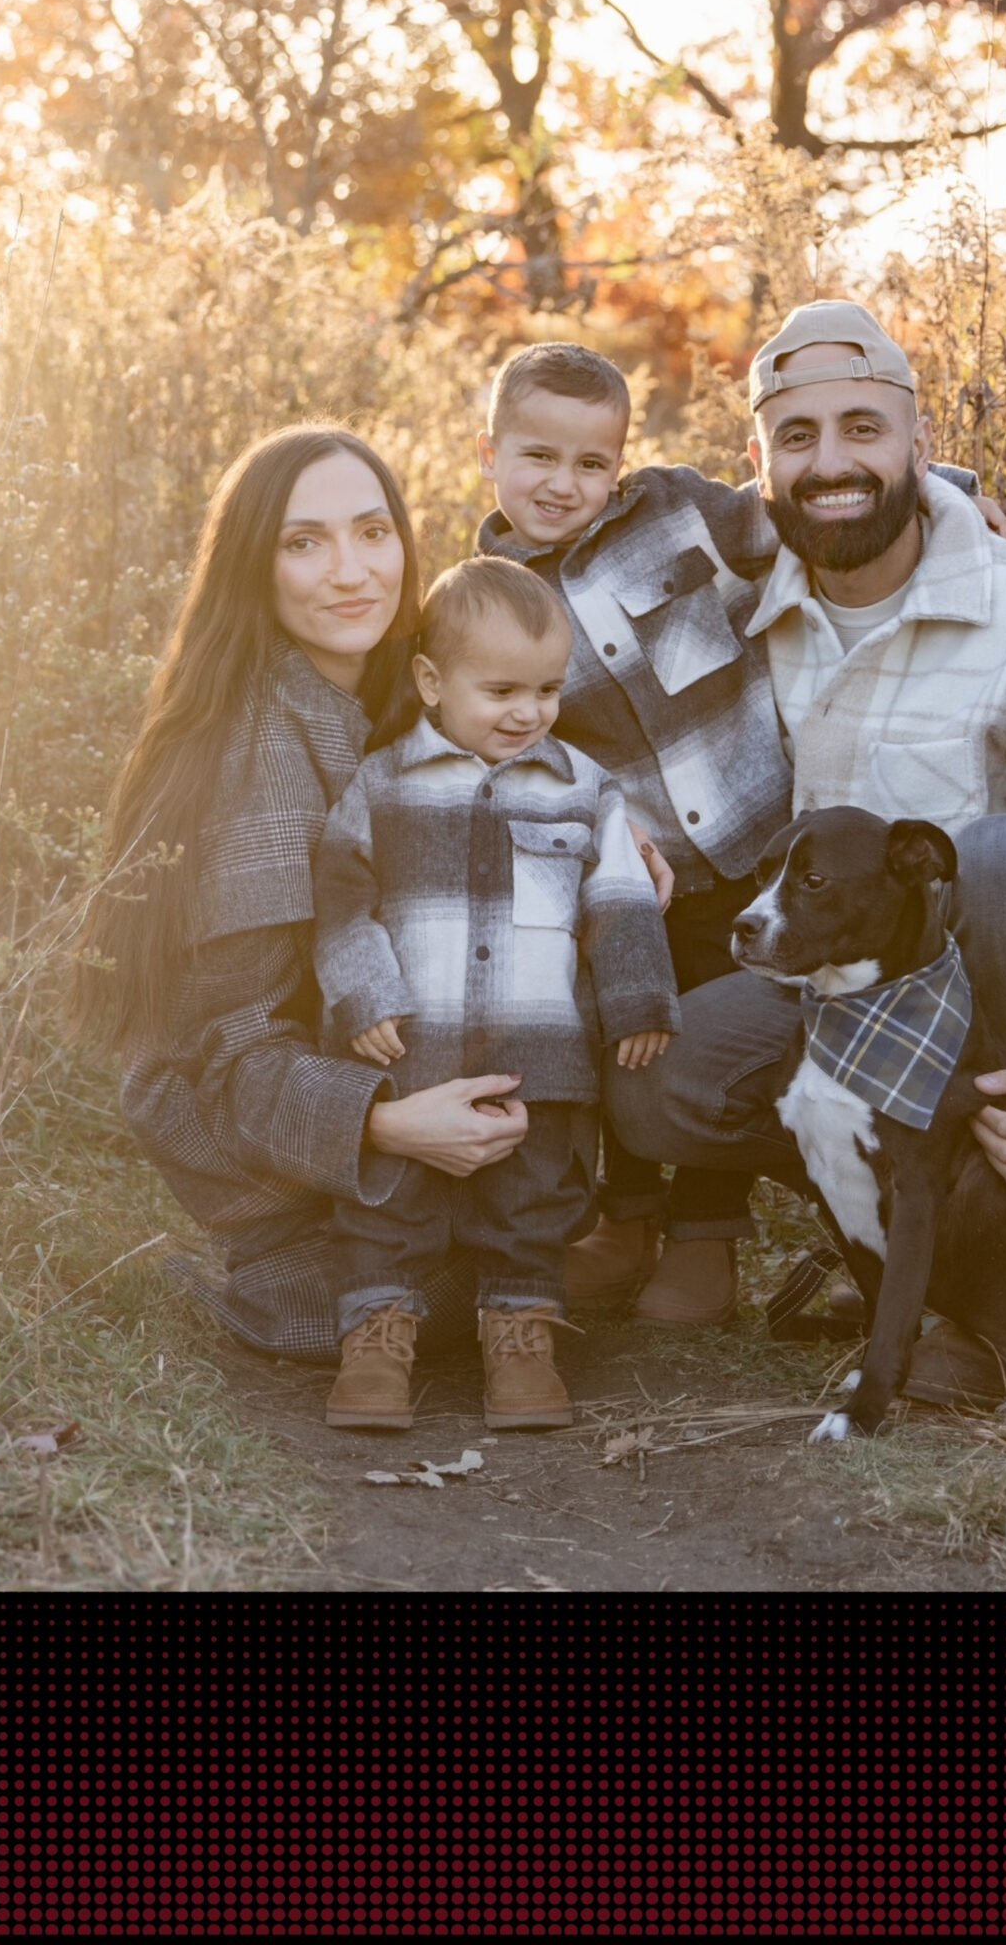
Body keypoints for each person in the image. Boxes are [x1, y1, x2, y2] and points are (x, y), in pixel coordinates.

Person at [600, 302, 1006, 1392]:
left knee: (997, 857)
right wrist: (600, 813)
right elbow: (578, 596)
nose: (831, 463)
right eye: (799, 436)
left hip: (993, 1021)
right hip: (830, 996)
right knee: (654, 1084)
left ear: (920, 443)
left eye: (864, 428)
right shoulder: (732, 603)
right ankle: (889, 1231)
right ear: (759, 468)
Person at [470, 341, 1006, 1326]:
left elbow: (803, 511)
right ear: (488, 454)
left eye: (591, 462)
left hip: (766, 849)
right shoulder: (492, 601)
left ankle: (703, 1241)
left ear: (622, 462)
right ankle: (623, 1222)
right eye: (537, 457)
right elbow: (505, 743)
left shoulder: (680, 514)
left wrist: (947, 496)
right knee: (630, 1025)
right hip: (644, 874)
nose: (562, 484)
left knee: (720, 1033)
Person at [65, 426, 534, 1362]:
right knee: (483, 1292)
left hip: (357, 1061)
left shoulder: (393, 686)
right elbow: (226, 1051)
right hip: (260, 1138)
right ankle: (296, 1273)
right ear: (256, 567)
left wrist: (619, 835)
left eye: (373, 531)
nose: (351, 572)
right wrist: (391, 1125)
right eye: (304, 542)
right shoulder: (262, 764)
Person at [311, 558, 678, 1430]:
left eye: (548, 689)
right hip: (411, 1055)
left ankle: (520, 1337)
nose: (529, 712)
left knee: (532, 1204)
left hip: (537, 1055)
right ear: (432, 681)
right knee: (388, 1205)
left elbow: (619, 896)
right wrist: (364, 995)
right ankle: (376, 1338)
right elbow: (341, 900)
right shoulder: (384, 784)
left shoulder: (584, 788)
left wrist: (637, 997)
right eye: (502, 690)